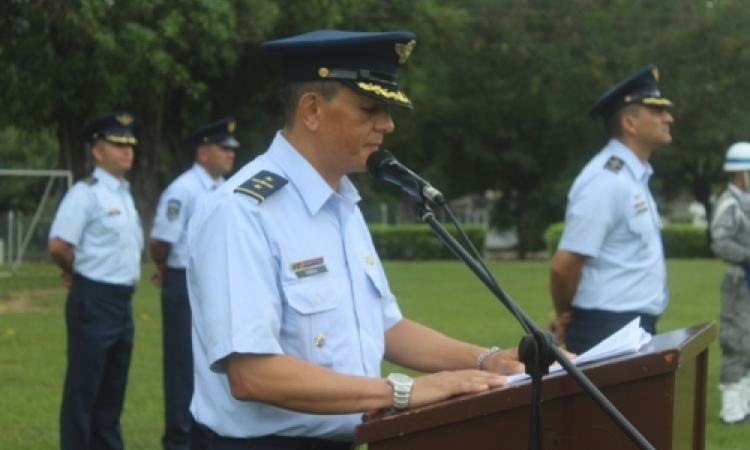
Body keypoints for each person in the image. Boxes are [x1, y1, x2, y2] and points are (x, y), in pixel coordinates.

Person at [186, 29, 525, 449]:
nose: (387, 124)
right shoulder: (242, 212)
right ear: (311, 110)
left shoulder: (342, 204)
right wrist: (401, 393)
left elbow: (384, 326)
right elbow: (251, 373)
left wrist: (485, 360)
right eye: (369, 108)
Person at [548, 64, 674, 354]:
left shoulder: (632, 175)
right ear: (629, 123)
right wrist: (564, 313)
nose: (668, 118)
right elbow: (564, 266)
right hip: (606, 328)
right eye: (656, 111)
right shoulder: (606, 180)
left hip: (629, 324)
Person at [48, 111, 144, 450]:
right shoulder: (85, 194)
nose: (127, 150)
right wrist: (78, 272)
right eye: (117, 144)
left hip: (121, 302)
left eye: (129, 143)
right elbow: (59, 244)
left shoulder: (124, 195)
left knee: (111, 393)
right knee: (84, 391)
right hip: (93, 299)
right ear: (97, 151)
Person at [149, 118, 238, 449]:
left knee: (210, 364)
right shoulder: (183, 189)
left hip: (213, 286)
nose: (231, 154)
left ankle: (204, 436)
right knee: (182, 367)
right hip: (183, 285)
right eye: (223, 148)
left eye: (232, 149)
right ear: (203, 152)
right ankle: (179, 439)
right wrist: (165, 265)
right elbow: (161, 240)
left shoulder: (225, 188)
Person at [710, 142, 750, 424]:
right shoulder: (729, 203)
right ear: (741, 173)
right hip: (739, 280)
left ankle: (745, 404)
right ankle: (731, 409)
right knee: (736, 341)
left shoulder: (745, 201)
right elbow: (720, 242)